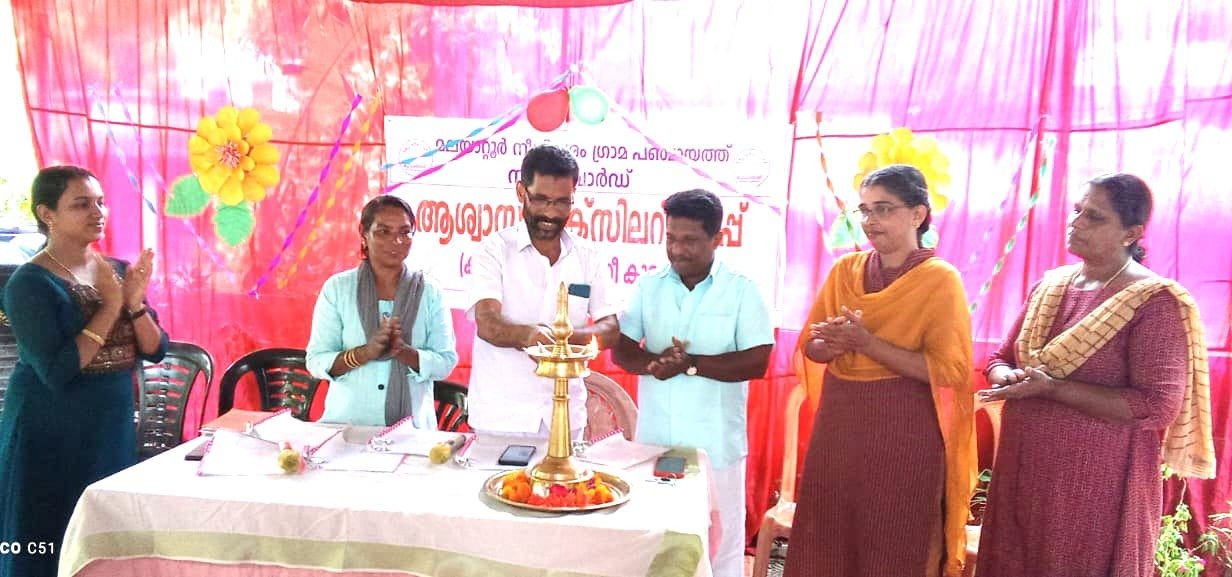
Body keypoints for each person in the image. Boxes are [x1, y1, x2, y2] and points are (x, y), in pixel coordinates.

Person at [974, 173, 1214, 577]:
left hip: (1096, 486)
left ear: (1131, 234)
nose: (1077, 222)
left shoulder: (1155, 302)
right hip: (1023, 471)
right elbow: (1000, 358)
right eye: (1077, 210)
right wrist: (1006, 377)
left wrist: (1053, 389)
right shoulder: (1050, 286)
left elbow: (1157, 406)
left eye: (1095, 217)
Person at [784, 165, 975, 577]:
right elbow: (811, 347)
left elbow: (950, 370)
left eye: (884, 209)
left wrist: (867, 344)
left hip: (904, 435)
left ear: (918, 214)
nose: (870, 221)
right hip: (840, 428)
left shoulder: (940, 280)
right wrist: (831, 343)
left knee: (894, 540)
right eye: (865, 210)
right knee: (828, 534)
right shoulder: (845, 271)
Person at [0, 165, 169, 577]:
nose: (98, 212)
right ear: (47, 214)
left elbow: (156, 350)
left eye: (100, 202)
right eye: (81, 204)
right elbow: (57, 371)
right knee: (46, 539)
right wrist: (111, 306)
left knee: (103, 539)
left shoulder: (117, 269)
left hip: (109, 427)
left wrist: (134, 304)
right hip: (49, 431)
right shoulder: (29, 284)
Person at [613, 189, 774, 577]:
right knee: (654, 542)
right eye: (671, 238)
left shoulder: (742, 290)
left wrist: (691, 365)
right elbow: (621, 350)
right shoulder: (648, 286)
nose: (677, 250)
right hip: (656, 442)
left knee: (720, 547)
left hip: (715, 447)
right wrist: (654, 364)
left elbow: (758, 361)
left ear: (718, 238)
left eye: (690, 240)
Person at [466, 144, 620, 438]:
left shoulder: (588, 256)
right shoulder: (494, 250)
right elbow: (487, 323)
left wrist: (559, 341)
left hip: (566, 418)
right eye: (541, 200)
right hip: (500, 418)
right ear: (521, 192)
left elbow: (610, 329)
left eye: (562, 202)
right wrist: (530, 337)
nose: (551, 212)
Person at [306, 195, 458, 428]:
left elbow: (446, 361)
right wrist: (364, 353)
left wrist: (404, 352)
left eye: (405, 232)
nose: (396, 241)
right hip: (346, 428)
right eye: (383, 232)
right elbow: (316, 360)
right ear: (364, 234)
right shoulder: (338, 289)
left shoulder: (430, 293)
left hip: (413, 432)